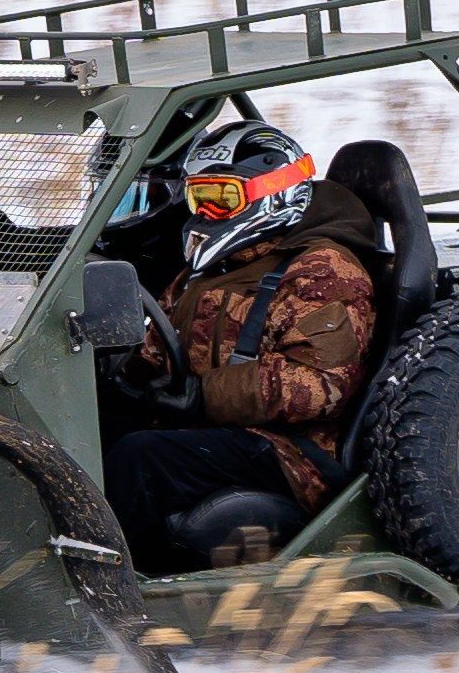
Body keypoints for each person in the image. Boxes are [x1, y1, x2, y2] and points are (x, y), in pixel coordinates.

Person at [103, 121, 378, 575]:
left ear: (275, 193)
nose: (209, 212)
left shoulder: (323, 270)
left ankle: (106, 589)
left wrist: (200, 395)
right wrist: (130, 380)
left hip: (293, 452)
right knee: (96, 427)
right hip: (214, 427)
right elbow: (161, 345)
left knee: (142, 458)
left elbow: (321, 385)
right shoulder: (214, 265)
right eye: (200, 197)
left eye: (223, 197)